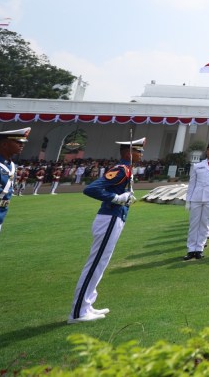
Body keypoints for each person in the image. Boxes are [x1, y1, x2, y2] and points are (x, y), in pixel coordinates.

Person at [68, 136, 145, 324]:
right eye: (138, 151)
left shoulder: (128, 169)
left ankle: (87, 304)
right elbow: (91, 189)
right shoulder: (121, 169)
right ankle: (77, 312)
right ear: (128, 153)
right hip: (110, 217)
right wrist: (117, 199)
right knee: (95, 263)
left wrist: (125, 198)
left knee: (100, 263)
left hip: (115, 217)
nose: (141, 154)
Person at [0, 128, 30, 238]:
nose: (22, 145)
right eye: (18, 142)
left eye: (22, 143)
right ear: (4, 144)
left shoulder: (11, 165)